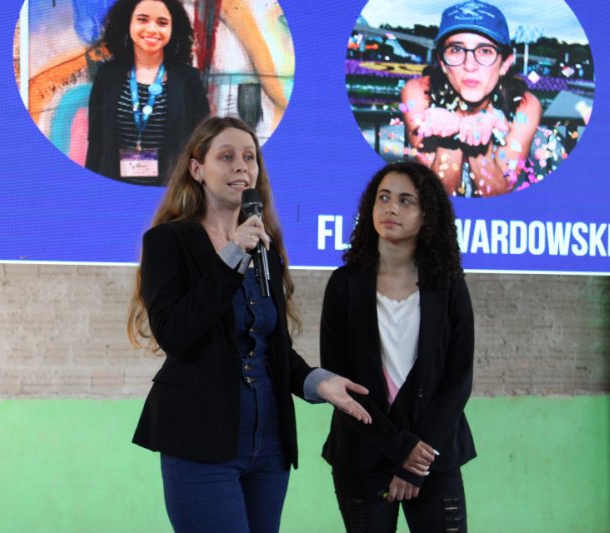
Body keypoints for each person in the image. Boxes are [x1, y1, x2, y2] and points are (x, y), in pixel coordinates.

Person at [128, 116, 372, 532]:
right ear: (197, 170)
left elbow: (271, 347)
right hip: (200, 440)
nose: (242, 166)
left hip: (269, 444)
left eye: (249, 157)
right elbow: (175, 333)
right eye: (226, 157)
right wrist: (232, 255)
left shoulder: (265, 248)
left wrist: (317, 382)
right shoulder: (168, 242)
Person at [320, 161, 476, 532]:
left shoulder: (448, 284)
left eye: (406, 201)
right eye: (384, 198)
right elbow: (339, 385)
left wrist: (417, 458)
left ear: (427, 215)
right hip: (363, 453)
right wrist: (399, 446)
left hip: (433, 455)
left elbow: (459, 379)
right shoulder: (344, 284)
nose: (391, 208)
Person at [400, 0, 542, 197]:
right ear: (442, 62)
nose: (469, 65)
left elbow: (497, 194)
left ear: (505, 64)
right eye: (456, 49)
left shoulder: (524, 105)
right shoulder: (419, 93)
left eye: (485, 51)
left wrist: (478, 143)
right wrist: (450, 138)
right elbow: (438, 196)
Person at [86, 0, 209, 185]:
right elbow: (96, 140)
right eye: (142, 19)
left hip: (170, 192)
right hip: (115, 188)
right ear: (127, 22)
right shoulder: (107, 75)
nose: (152, 29)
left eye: (162, 23)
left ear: (173, 28)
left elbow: (201, 142)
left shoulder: (188, 79)